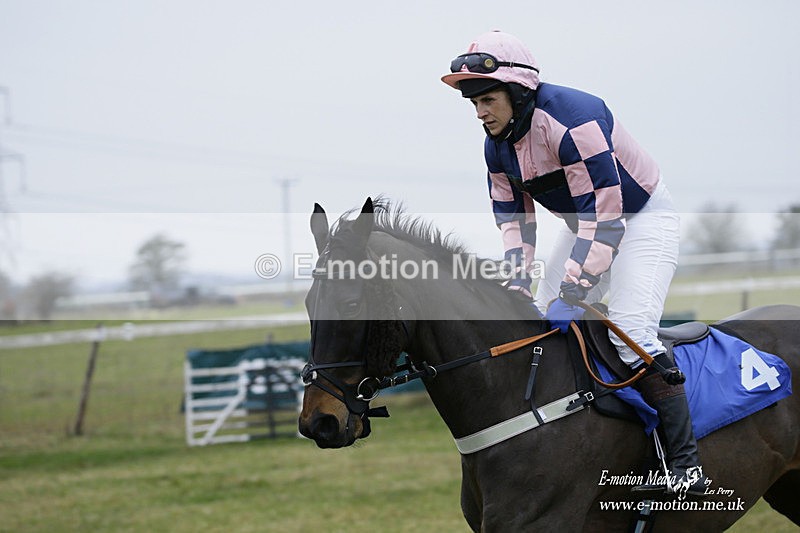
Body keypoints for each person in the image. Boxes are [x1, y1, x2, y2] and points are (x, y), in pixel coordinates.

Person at [442, 30, 706, 497]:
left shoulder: (574, 118)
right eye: (474, 104)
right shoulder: (495, 145)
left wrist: (576, 286)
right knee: (541, 322)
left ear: (517, 92)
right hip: (582, 223)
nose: (480, 113)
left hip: (640, 217)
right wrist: (519, 286)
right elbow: (515, 226)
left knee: (632, 334)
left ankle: (686, 467)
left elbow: (607, 218)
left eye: (487, 100)